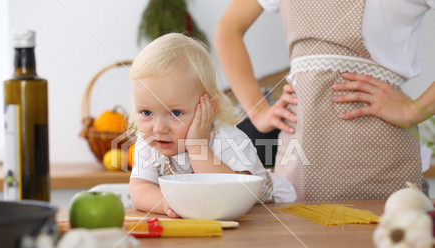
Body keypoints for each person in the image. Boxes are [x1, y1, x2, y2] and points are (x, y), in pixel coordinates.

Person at [214, 0, 435, 201]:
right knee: (296, 238)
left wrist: (414, 110)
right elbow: (228, 30)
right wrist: (258, 109)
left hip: (383, 155)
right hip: (299, 152)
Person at [128, 33, 297, 217]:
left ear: (209, 108)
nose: (159, 128)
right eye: (146, 113)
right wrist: (167, 203)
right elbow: (140, 189)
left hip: (274, 212)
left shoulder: (228, 140)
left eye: (176, 113)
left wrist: (198, 148)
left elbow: (234, 196)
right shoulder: (147, 144)